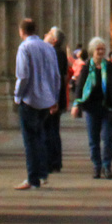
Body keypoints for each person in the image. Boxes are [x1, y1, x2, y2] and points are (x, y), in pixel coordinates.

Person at [13, 17, 60, 190]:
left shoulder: (24, 47)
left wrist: (17, 96)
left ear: (21, 31)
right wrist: (54, 98)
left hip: (30, 100)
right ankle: (42, 174)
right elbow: (56, 76)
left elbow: (23, 76)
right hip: (46, 100)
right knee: (40, 137)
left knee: (30, 141)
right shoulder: (48, 48)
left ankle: (33, 178)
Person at [72, 36, 112, 178]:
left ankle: (107, 166)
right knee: (93, 139)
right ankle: (97, 165)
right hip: (91, 108)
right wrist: (76, 104)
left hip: (108, 107)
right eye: (98, 49)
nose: (101, 51)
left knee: (108, 138)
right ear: (92, 51)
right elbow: (80, 87)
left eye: (102, 49)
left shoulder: (109, 66)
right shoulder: (86, 68)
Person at [45, 26, 70, 174]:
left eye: (48, 33)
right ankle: (55, 161)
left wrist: (52, 100)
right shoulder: (59, 53)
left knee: (50, 130)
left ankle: (52, 162)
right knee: (53, 129)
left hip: (52, 98)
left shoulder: (54, 53)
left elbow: (56, 78)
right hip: (55, 97)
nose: (45, 35)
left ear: (54, 40)